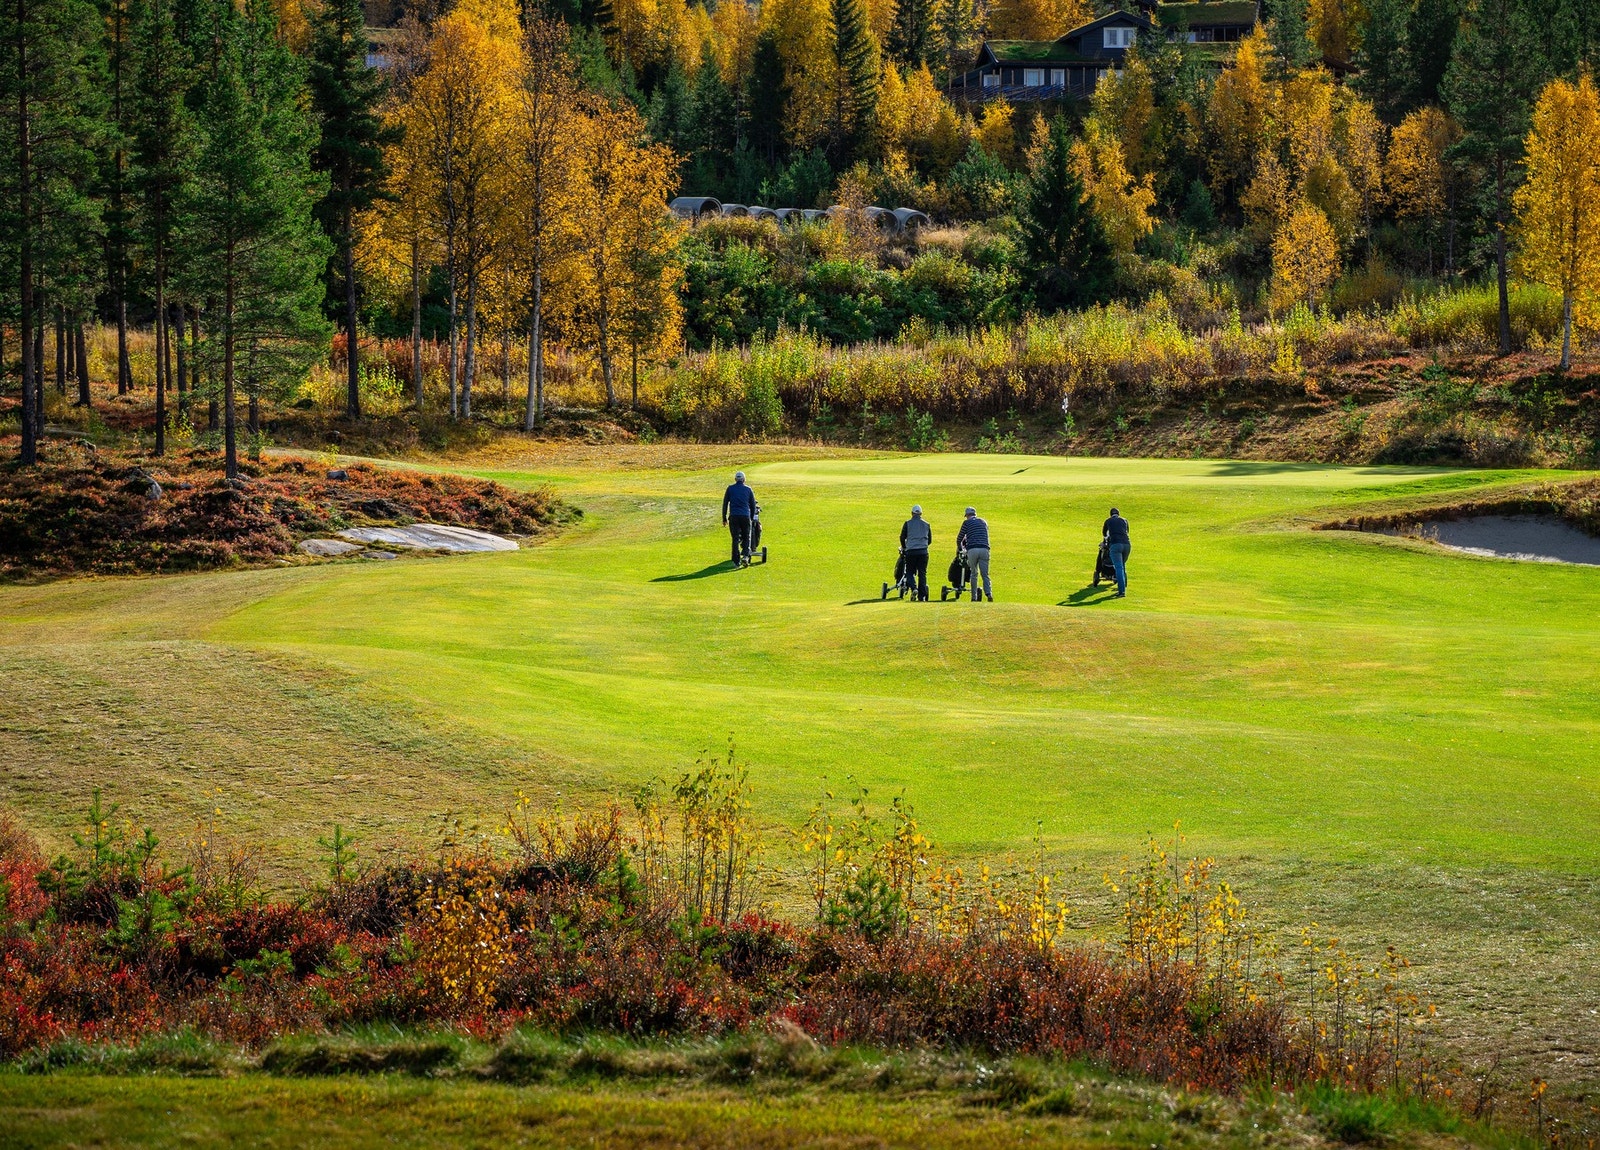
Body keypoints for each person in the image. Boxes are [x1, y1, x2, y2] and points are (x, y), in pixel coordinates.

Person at [955, 506, 991, 601]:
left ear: (967, 515)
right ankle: (988, 593)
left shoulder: (967, 523)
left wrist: (960, 548)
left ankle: (974, 597)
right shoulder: (983, 522)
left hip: (972, 550)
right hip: (984, 549)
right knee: (985, 574)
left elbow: (959, 538)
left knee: (974, 573)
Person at [722, 471, 757, 566]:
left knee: (735, 539)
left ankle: (736, 561)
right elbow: (753, 505)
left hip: (733, 517)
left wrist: (724, 518)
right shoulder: (748, 489)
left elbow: (725, 504)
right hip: (745, 516)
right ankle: (745, 556)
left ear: (735, 479)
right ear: (744, 479)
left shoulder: (730, 489)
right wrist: (751, 517)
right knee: (746, 537)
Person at [899, 505, 932, 601]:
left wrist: (905, 547)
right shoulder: (927, 524)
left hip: (911, 551)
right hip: (923, 552)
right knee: (922, 573)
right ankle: (921, 597)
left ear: (912, 513)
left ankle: (914, 588)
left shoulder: (907, 523)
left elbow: (902, 537)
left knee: (909, 571)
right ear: (921, 513)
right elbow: (929, 540)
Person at [1103, 507, 1130, 597]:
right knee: (1122, 565)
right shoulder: (1124, 520)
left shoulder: (1108, 521)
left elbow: (1104, 533)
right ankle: (1123, 584)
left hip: (1115, 545)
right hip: (1127, 545)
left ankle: (1121, 592)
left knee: (1118, 567)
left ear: (1110, 514)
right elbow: (1127, 531)